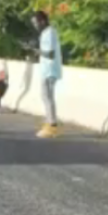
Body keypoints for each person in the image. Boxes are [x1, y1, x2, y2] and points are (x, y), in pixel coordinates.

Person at [32, 10, 63, 138]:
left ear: (43, 21)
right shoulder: (46, 33)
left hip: (50, 70)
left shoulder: (49, 33)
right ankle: (48, 122)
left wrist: (37, 52)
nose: (35, 25)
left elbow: (50, 54)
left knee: (48, 97)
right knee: (45, 96)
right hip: (46, 70)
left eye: (36, 23)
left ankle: (52, 126)